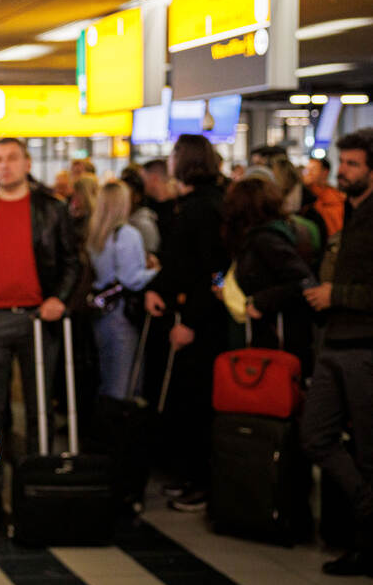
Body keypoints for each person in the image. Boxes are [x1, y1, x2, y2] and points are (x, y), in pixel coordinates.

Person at [0, 137, 79, 528]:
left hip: (39, 318)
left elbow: (74, 261)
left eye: (12, 159)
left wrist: (60, 298)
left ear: (26, 164)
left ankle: (37, 495)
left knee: (41, 407)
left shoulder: (51, 210)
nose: (5, 166)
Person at [301, 129, 373, 576]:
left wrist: (337, 294)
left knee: (368, 448)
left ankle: (365, 544)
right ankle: (369, 505)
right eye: (341, 162)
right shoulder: (346, 210)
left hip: (364, 345)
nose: (342, 171)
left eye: (352, 165)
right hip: (334, 342)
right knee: (315, 435)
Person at [145, 135, 229, 513]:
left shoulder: (204, 208)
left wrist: (193, 320)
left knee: (197, 403)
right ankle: (190, 476)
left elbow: (210, 272)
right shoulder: (193, 204)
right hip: (186, 314)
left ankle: (203, 482)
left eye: (176, 153)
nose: (171, 159)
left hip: (200, 323)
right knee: (185, 402)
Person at [221, 177, 315, 366]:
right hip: (265, 335)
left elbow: (303, 281)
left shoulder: (265, 240)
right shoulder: (268, 235)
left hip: (271, 341)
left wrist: (261, 301)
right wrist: (221, 287)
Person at [87, 182, 159, 399]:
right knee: (124, 378)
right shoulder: (127, 234)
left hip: (101, 311)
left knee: (107, 372)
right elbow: (132, 280)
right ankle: (118, 426)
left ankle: (105, 423)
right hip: (122, 311)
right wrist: (156, 272)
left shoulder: (95, 232)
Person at [120, 168, 161, 255]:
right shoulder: (124, 219)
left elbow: (149, 257)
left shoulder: (144, 225)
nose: (120, 199)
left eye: (125, 194)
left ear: (137, 197)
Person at [304, 155, 346, 236]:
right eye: (307, 169)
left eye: (313, 169)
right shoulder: (303, 196)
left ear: (325, 172)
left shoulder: (335, 198)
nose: (308, 173)